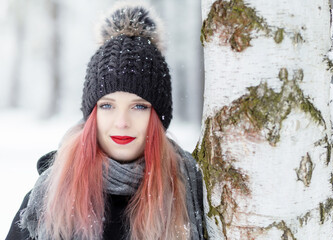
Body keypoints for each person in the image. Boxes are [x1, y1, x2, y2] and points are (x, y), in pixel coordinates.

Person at [6, 2, 205, 240]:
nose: (121, 122)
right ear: (92, 115)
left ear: (158, 117)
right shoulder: (49, 195)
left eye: (139, 106)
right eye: (107, 106)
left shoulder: (189, 190)